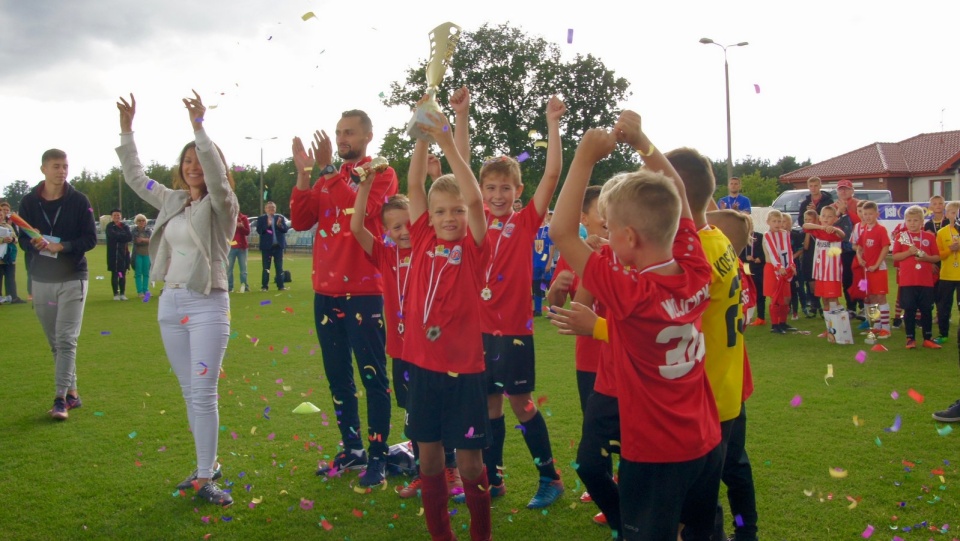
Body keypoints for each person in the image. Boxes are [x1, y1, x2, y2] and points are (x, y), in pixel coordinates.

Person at [551, 111, 721, 540]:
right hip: (703, 439)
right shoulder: (694, 267)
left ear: (627, 238)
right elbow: (678, 192)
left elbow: (561, 232)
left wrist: (584, 158)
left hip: (656, 453)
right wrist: (643, 142)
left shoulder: (632, 296)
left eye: (611, 228)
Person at [115, 92, 238, 506]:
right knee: (190, 393)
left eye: (200, 161)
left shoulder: (224, 204)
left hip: (207, 305)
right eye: (187, 161)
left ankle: (206, 476)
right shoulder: (170, 199)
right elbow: (136, 179)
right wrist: (127, 131)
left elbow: (219, 181)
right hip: (170, 306)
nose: (192, 167)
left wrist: (199, 128)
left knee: (204, 393)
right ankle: (207, 468)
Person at [290, 109, 397, 486]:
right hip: (326, 292)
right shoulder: (325, 177)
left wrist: (328, 173)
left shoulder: (380, 171)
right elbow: (302, 220)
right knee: (338, 377)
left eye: (349, 132)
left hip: (365, 292)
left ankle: (379, 458)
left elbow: (365, 211)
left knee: (373, 377)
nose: (341, 139)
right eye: (338, 133)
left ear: (367, 136)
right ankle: (352, 450)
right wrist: (304, 176)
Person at [402, 108, 493, 541]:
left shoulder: (475, 248)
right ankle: (442, 536)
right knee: (430, 459)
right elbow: (414, 184)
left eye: (455, 210)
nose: (450, 218)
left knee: (472, 464)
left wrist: (447, 140)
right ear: (430, 216)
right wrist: (422, 131)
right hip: (423, 370)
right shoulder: (421, 237)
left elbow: (476, 199)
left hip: (466, 376)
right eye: (441, 212)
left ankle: (480, 536)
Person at [476, 95, 567, 509]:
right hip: (478, 332)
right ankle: (493, 480)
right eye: (490, 188)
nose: (498, 195)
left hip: (513, 331)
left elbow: (552, 174)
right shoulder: (473, 223)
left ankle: (550, 477)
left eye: (505, 188)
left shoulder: (525, 220)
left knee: (522, 404)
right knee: (489, 405)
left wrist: (552, 123)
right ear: (480, 191)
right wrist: (459, 117)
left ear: (518, 191)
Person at [18, 146, 97, 419]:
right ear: (43, 169)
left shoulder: (79, 200)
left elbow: (90, 239)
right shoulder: (29, 202)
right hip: (41, 280)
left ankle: (60, 400)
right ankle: (73, 393)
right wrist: (33, 242)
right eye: (56, 166)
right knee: (56, 343)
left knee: (66, 340)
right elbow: (22, 240)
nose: (62, 171)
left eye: (65, 166)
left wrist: (62, 247)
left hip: (73, 278)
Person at [892, 205, 941, 349]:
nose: (912, 223)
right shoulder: (901, 237)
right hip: (907, 281)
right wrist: (908, 253)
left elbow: (937, 257)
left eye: (915, 220)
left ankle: (927, 337)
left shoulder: (929, 237)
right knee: (909, 309)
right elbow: (895, 256)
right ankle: (910, 338)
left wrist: (926, 258)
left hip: (925, 281)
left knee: (926, 309)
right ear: (905, 221)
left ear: (922, 222)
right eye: (909, 220)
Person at [803, 206, 845, 337]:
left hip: (831, 274)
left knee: (833, 300)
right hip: (820, 273)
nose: (826, 219)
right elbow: (805, 225)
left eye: (830, 216)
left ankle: (842, 326)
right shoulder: (819, 231)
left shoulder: (834, 232)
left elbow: (842, 235)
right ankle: (830, 329)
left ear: (835, 219)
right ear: (820, 218)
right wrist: (821, 227)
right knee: (825, 300)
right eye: (824, 216)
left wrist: (834, 229)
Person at [857, 201, 891, 338]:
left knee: (880, 296)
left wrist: (877, 264)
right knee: (871, 297)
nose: (867, 216)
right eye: (865, 214)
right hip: (867, 270)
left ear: (877, 214)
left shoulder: (881, 229)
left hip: (879, 269)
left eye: (870, 214)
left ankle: (886, 328)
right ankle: (876, 325)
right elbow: (859, 247)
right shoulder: (864, 229)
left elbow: (885, 247)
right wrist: (859, 257)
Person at [762, 210, 795, 334]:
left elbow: (789, 250)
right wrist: (779, 266)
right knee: (775, 297)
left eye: (779, 221)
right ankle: (775, 325)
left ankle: (783, 322)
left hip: (785, 268)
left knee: (786, 297)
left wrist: (791, 264)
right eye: (774, 221)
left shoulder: (785, 234)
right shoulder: (767, 235)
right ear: (768, 222)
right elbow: (772, 252)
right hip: (772, 268)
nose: (777, 224)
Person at [934, 201, 960, 345]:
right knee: (944, 306)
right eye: (952, 212)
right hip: (947, 275)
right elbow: (939, 255)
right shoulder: (942, 232)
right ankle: (943, 334)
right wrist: (951, 249)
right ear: (946, 214)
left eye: (957, 213)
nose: (955, 215)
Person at [832, 179, 860, 313]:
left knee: (861, 276)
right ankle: (851, 306)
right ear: (837, 192)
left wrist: (847, 211)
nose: (843, 191)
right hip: (840, 247)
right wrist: (839, 212)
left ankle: (863, 304)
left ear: (852, 191)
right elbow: (828, 225)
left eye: (846, 189)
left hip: (858, 246)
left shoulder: (859, 204)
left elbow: (861, 222)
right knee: (846, 277)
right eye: (841, 189)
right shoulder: (832, 206)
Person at [256, 201, 288, 292]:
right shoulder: (262, 218)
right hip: (267, 247)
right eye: (269, 208)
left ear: (275, 209)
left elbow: (285, 230)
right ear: (265, 209)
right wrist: (268, 225)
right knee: (266, 267)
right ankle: (264, 286)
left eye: (273, 208)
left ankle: (281, 286)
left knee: (279, 267)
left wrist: (279, 225)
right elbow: (259, 231)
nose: (271, 209)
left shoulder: (280, 217)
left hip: (278, 246)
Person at [0, 202, 25, 304]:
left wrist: (12, 239)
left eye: (1, 215)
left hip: (9, 257)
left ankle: (13, 297)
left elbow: (16, 238)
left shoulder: (8, 226)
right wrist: (2, 240)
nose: (1, 217)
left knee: (11, 278)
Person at [532, 210, 556, 316]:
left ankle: (553, 310)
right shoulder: (532, 229)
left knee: (548, 286)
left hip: (545, 263)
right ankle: (538, 310)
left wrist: (549, 262)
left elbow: (552, 246)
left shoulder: (548, 229)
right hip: (534, 264)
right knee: (536, 287)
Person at [106, 208, 132, 300]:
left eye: (118, 215)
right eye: (115, 215)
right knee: (115, 274)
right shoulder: (110, 226)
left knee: (121, 274)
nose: (117, 217)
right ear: (112, 217)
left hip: (123, 255)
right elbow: (113, 236)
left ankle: (122, 293)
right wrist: (121, 236)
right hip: (113, 255)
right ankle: (115, 294)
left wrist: (120, 236)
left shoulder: (125, 226)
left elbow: (129, 237)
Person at [742, 227, 766, 325]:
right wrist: (745, 258)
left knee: (760, 292)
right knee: (748, 292)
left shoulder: (760, 237)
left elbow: (766, 251)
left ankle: (761, 317)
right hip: (746, 267)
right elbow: (738, 254)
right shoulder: (741, 237)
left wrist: (760, 258)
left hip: (759, 267)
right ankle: (748, 317)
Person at [784, 214, 806, 320]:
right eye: (781, 221)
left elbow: (801, 249)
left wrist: (792, 258)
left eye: (785, 221)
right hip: (783, 266)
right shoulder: (778, 236)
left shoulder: (795, 235)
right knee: (785, 288)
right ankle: (786, 308)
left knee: (795, 288)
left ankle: (797, 311)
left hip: (794, 265)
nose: (783, 224)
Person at [800, 209, 821, 317]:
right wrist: (808, 233)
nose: (807, 222)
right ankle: (815, 305)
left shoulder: (819, 231)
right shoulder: (802, 232)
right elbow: (805, 246)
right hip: (808, 259)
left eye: (810, 220)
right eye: (806, 219)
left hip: (818, 258)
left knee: (818, 284)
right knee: (811, 284)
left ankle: (819, 306)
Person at [227, 212, 250, 293]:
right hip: (231, 246)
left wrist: (242, 227)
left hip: (242, 247)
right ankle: (229, 287)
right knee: (229, 269)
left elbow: (247, 232)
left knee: (243, 269)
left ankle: (244, 286)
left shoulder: (243, 218)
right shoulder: (228, 218)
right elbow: (225, 232)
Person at [131, 214, 152, 299]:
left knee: (146, 273)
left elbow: (151, 240)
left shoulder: (148, 231)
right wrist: (146, 240)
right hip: (137, 254)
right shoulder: (134, 231)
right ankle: (140, 291)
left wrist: (143, 240)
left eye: (143, 220)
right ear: (136, 222)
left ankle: (146, 290)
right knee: (138, 273)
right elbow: (136, 241)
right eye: (139, 221)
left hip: (147, 253)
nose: (141, 222)